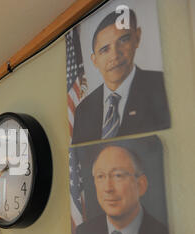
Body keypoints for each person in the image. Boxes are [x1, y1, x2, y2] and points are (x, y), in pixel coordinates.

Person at [71, 9, 170, 145]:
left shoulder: (161, 86)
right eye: (105, 49)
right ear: (94, 60)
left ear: (137, 38)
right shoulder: (83, 111)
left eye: (123, 40)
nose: (115, 56)